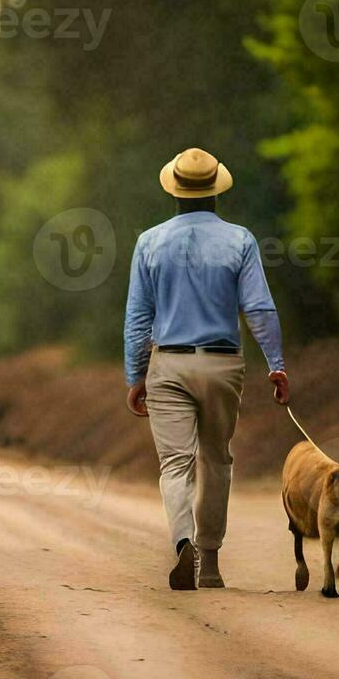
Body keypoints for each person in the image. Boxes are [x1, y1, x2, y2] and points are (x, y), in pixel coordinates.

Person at [124, 147, 290, 590]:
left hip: (169, 364)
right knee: (216, 458)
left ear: (173, 193)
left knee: (175, 464)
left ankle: (183, 544)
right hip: (222, 364)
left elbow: (139, 320)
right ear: (217, 191)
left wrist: (135, 376)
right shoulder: (240, 240)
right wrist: (276, 365)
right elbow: (258, 308)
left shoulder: (150, 242)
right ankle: (211, 561)